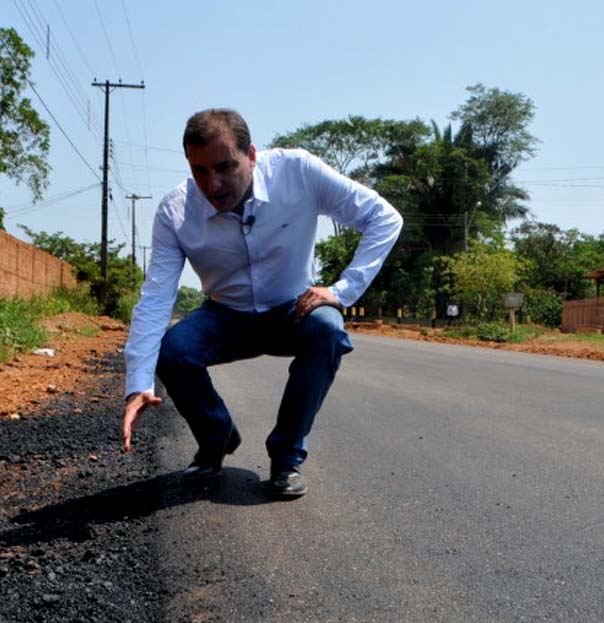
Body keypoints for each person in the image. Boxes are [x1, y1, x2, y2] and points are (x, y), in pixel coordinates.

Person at [120, 108, 402, 498]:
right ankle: (216, 439)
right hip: (225, 316)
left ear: (251, 155)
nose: (213, 184)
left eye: (225, 167)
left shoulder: (297, 172)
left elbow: (383, 217)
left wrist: (342, 291)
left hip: (293, 310)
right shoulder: (175, 211)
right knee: (172, 352)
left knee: (328, 329)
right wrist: (137, 382)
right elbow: (155, 297)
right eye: (200, 171)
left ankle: (286, 457)